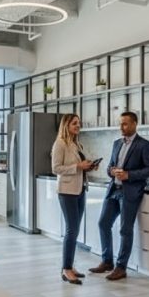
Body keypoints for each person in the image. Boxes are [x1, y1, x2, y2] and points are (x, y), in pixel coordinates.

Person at [90, 112, 149, 281]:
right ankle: (107, 261)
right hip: (114, 190)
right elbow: (110, 166)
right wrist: (111, 171)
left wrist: (129, 175)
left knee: (125, 230)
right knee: (103, 223)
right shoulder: (116, 143)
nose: (121, 127)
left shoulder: (144, 145)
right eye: (120, 124)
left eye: (125, 124)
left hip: (130, 192)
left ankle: (121, 267)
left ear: (134, 124)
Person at [51, 114, 96, 285]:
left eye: (79, 123)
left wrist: (88, 167)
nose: (78, 125)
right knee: (72, 230)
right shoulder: (60, 143)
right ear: (66, 125)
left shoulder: (76, 144)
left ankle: (70, 266)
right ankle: (66, 269)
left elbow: (79, 168)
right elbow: (56, 168)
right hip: (67, 191)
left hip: (80, 190)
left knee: (75, 230)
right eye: (74, 123)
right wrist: (78, 166)